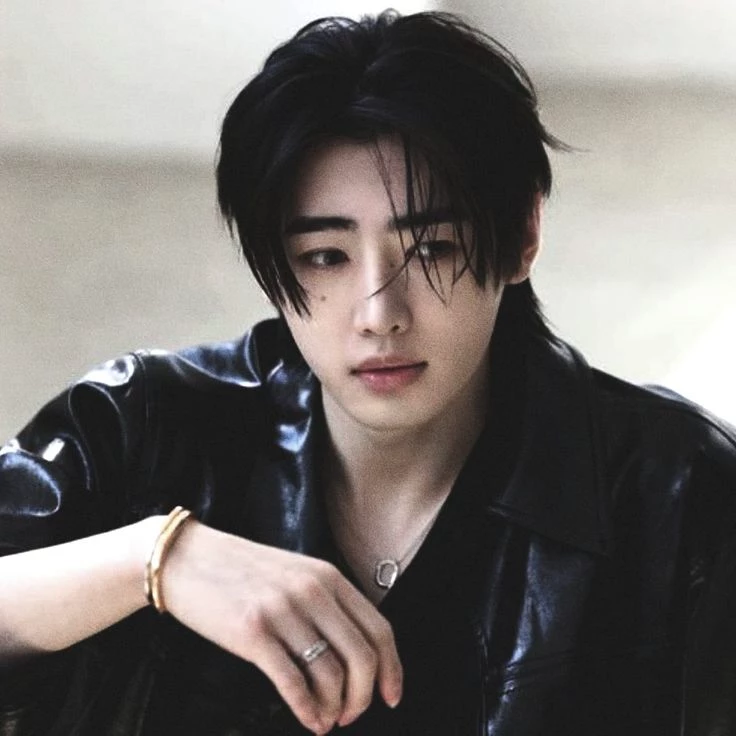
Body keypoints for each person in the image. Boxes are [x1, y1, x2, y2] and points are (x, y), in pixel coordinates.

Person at [1, 9, 735, 736]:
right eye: (326, 257)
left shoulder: (678, 491)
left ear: (522, 235)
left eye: (432, 250)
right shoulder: (140, 428)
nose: (379, 314)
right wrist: (155, 560)